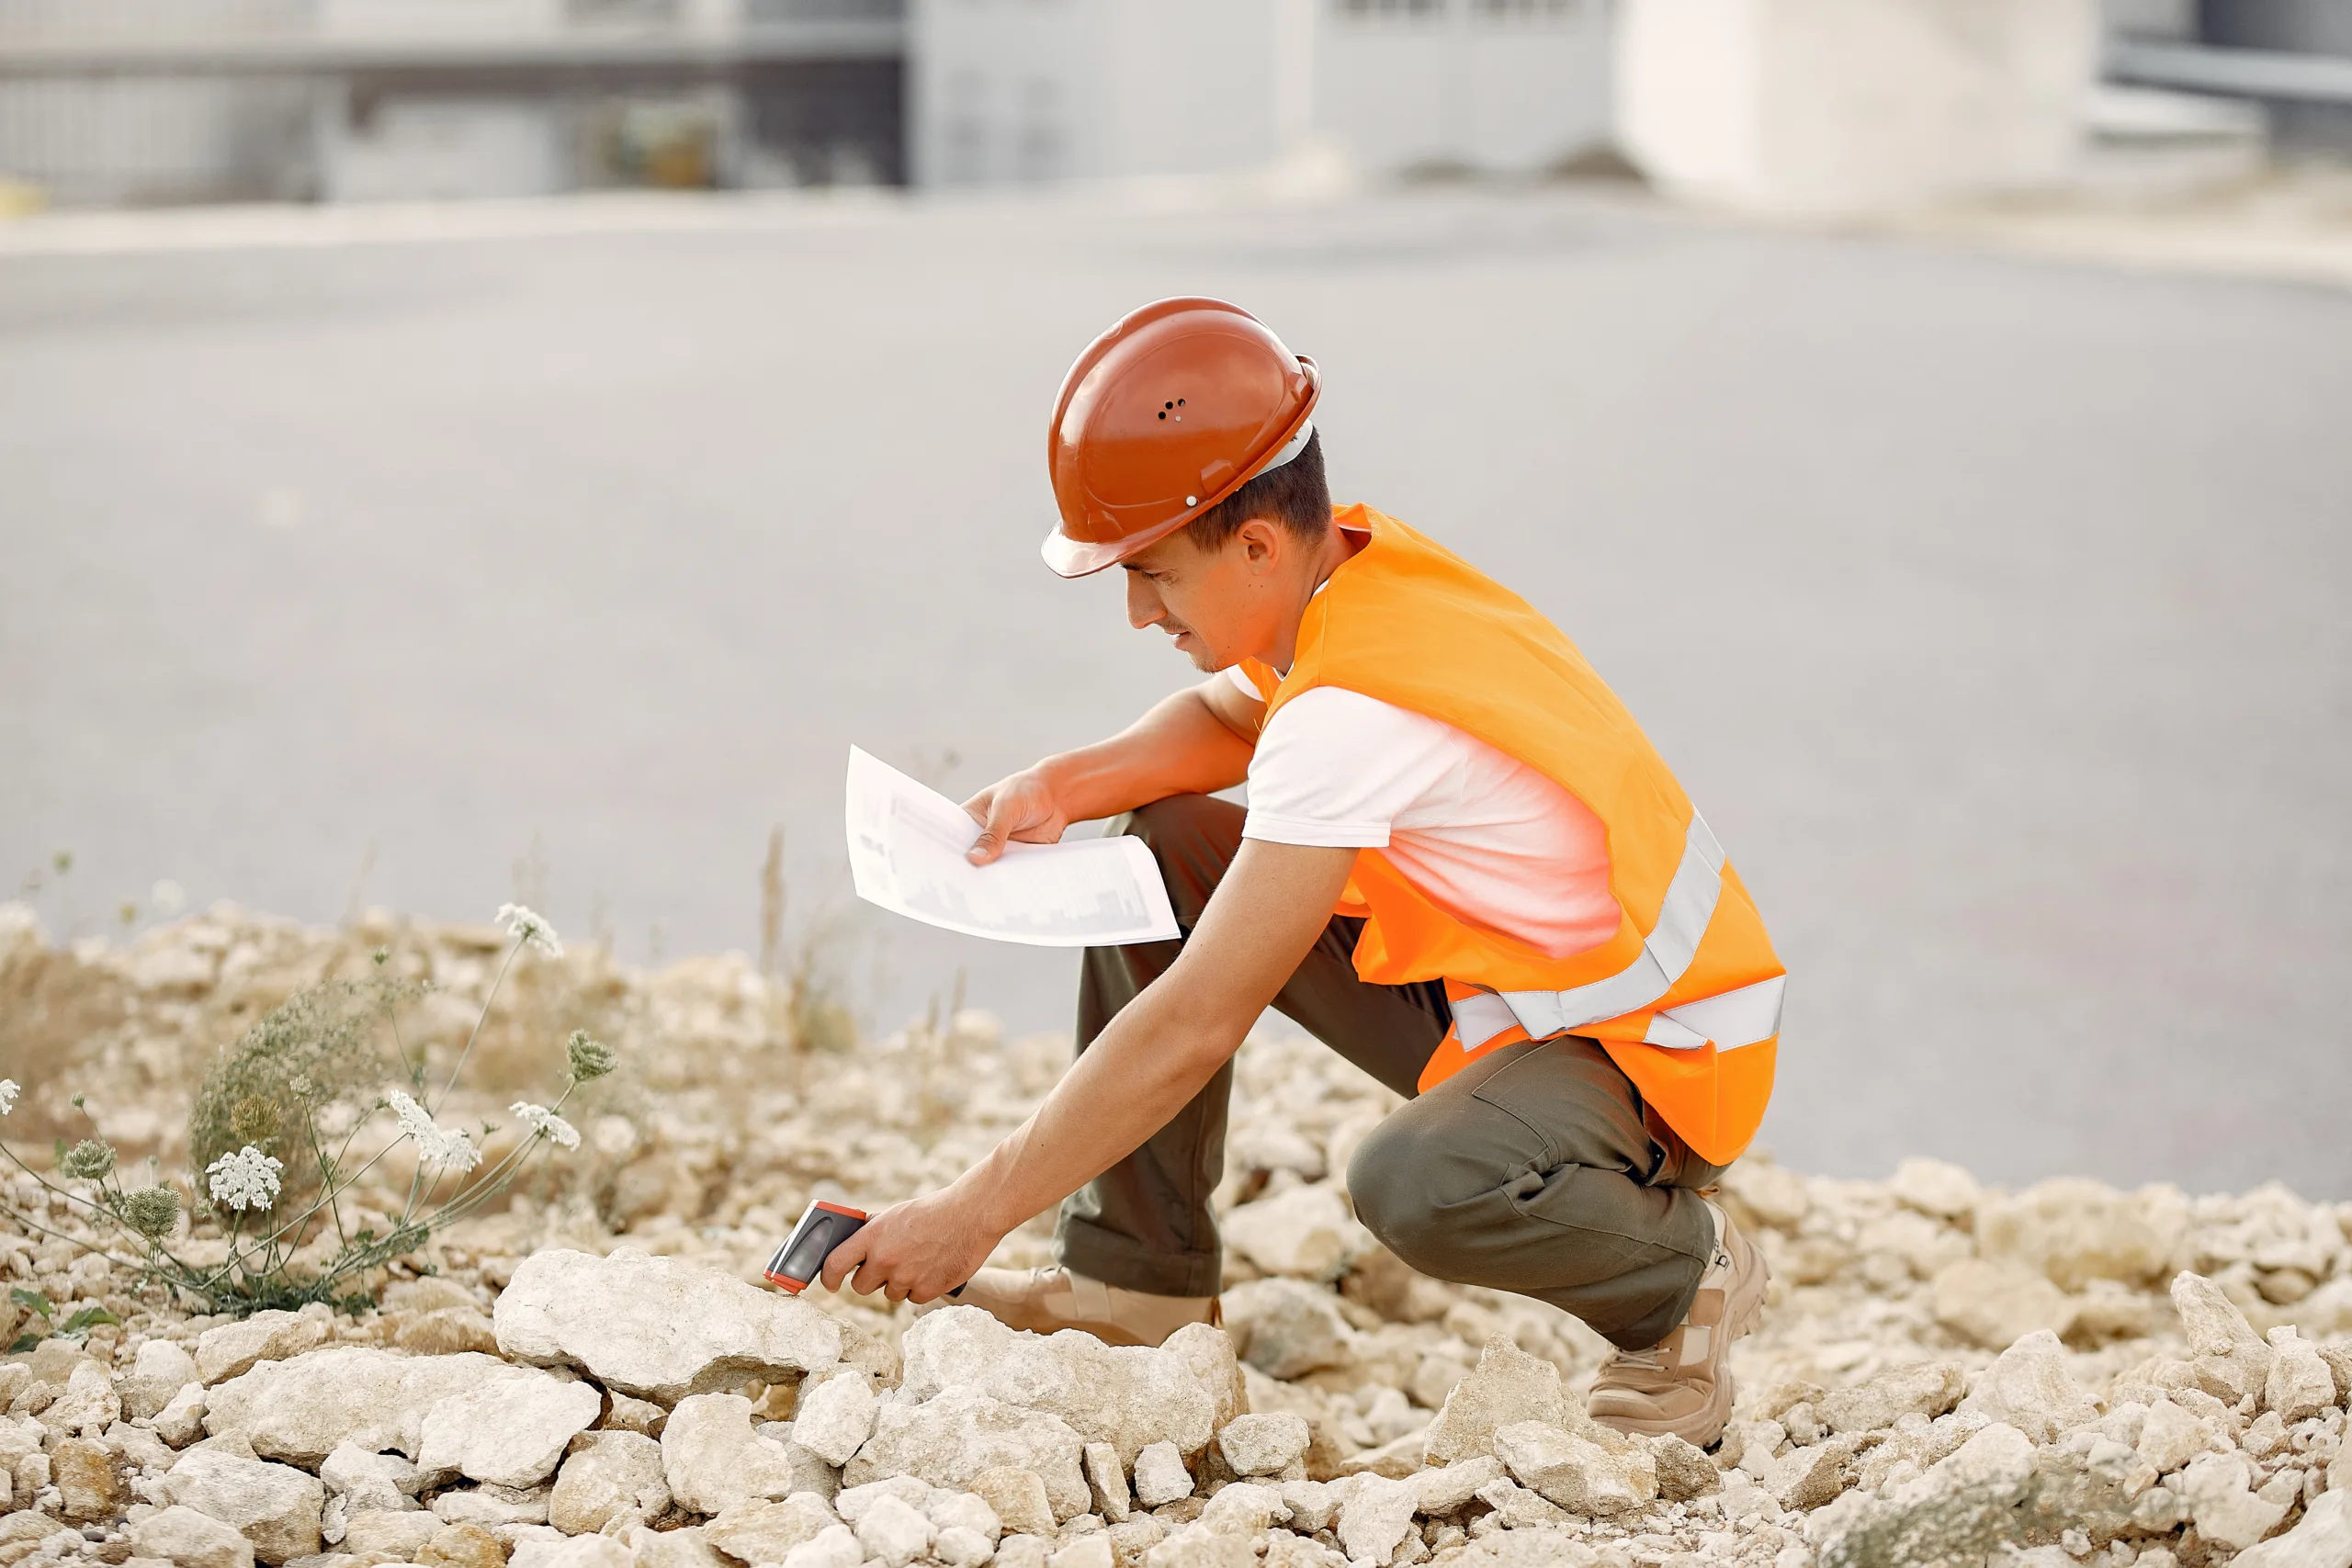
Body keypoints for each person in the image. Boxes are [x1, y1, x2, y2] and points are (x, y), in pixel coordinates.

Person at [822, 298, 1788, 1445]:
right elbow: (1224, 721)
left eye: (1153, 575)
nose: (1136, 612)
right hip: (1521, 1002)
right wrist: (1061, 785)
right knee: (1171, 841)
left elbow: (1192, 1022)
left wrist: (967, 1218)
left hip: (1660, 1057)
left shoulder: (1352, 709)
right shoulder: (1357, 572)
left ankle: (1684, 1279)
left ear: (1255, 546)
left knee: (1419, 1181)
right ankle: (1135, 1292)